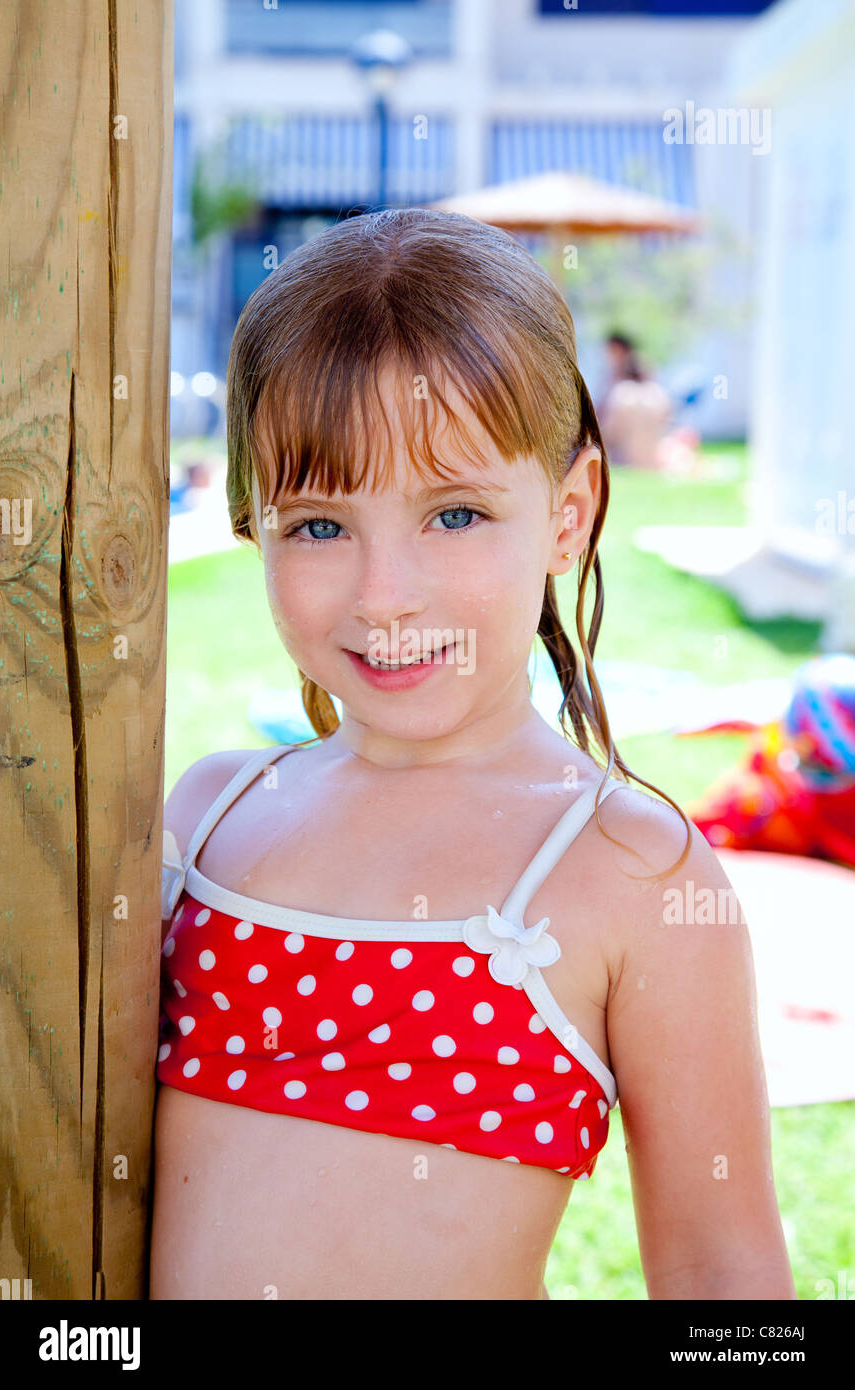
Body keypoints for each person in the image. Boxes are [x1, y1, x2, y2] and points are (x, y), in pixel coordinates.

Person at [149, 209, 795, 1301]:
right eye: (318, 525)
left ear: (567, 512)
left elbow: (719, 1270)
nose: (383, 593)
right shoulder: (208, 818)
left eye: (453, 514)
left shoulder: (626, 873)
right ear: (253, 523)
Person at [598, 331, 674, 471]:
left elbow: (608, 427)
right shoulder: (655, 392)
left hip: (626, 453)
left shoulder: (621, 391)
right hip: (650, 453)